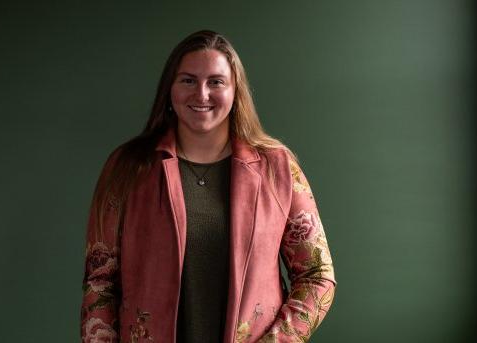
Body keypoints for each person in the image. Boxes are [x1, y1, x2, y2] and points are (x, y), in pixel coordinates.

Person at [80, 30, 336, 343]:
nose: (201, 94)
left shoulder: (278, 168)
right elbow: (100, 281)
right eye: (188, 80)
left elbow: (316, 275)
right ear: (169, 90)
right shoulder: (127, 168)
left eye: (216, 81)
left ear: (235, 91)